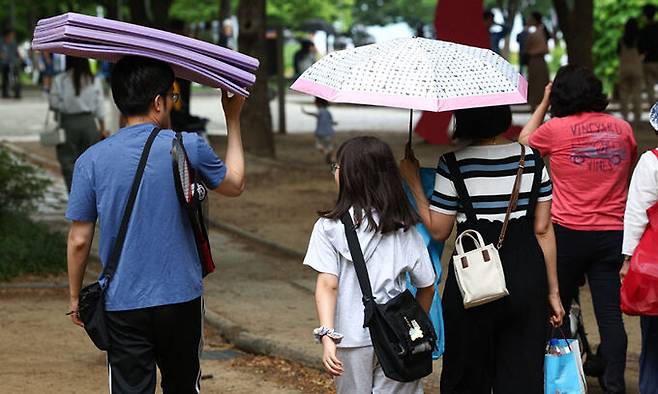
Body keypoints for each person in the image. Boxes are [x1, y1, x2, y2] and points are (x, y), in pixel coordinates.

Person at [65, 55, 246, 393]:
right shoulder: (187, 145)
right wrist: (232, 120)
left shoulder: (90, 160)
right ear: (159, 101)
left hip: (121, 301)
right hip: (181, 298)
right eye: (172, 97)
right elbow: (235, 184)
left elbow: (78, 239)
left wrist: (76, 296)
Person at [400, 104, 564, 393]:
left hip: (472, 278)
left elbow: (439, 229)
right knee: (522, 373)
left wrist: (413, 181)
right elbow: (543, 229)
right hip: (526, 274)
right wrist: (553, 292)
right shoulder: (533, 160)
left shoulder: (453, 163)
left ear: (463, 120)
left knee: (467, 374)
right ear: (504, 117)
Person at [519, 65, 637, 394]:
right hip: (613, 235)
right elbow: (629, 163)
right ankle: (614, 385)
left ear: (560, 95)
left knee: (554, 309)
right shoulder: (622, 129)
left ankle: (555, 378)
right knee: (610, 316)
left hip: (567, 235)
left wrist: (543, 103)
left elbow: (524, 142)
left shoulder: (555, 130)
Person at [304, 136, 435, 394]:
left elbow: (328, 285)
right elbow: (427, 286)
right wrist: (413, 328)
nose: (336, 172)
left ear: (352, 175)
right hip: (399, 337)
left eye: (338, 167)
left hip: (351, 338)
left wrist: (328, 336)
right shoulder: (404, 227)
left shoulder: (329, 228)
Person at [621, 112, 658, 394]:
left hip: (655, 266)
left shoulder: (651, 162)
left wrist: (628, 258)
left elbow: (637, 214)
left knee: (654, 341)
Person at [49, 55, 106, 192]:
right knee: (90, 162)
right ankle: (88, 196)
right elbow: (100, 107)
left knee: (68, 162)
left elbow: (54, 103)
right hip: (89, 124)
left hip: (68, 124)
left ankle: (74, 195)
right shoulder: (94, 80)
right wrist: (102, 128)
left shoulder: (60, 80)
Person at [618, 18, 645, 125]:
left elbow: (619, 54)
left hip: (624, 69)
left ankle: (625, 116)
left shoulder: (621, 40)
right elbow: (642, 53)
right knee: (637, 93)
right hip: (636, 69)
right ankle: (637, 117)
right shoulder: (639, 40)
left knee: (624, 93)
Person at [525, 12, 550, 110]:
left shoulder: (535, 33)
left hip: (536, 61)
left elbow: (527, 48)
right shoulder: (541, 31)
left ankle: (535, 111)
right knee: (539, 86)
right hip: (539, 62)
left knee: (536, 87)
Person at [302, 97, 337, 163]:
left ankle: (327, 154)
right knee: (329, 146)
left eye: (315, 103)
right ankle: (332, 158)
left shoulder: (320, 111)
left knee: (319, 145)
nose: (315, 104)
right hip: (329, 132)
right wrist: (334, 123)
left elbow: (315, 114)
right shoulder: (328, 112)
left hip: (320, 132)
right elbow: (331, 122)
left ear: (319, 104)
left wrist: (305, 112)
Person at [639, 4, 658, 105]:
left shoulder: (643, 30)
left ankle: (654, 113)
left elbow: (640, 49)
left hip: (648, 62)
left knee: (650, 89)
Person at [1, 28, 21, 99]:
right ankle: (5, 93)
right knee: (5, 78)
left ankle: (17, 92)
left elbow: (17, 52)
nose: (12, 36)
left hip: (13, 62)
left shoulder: (13, 42)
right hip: (5, 63)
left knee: (16, 77)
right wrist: (2, 56)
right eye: (11, 34)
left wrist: (19, 57)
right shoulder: (2, 42)